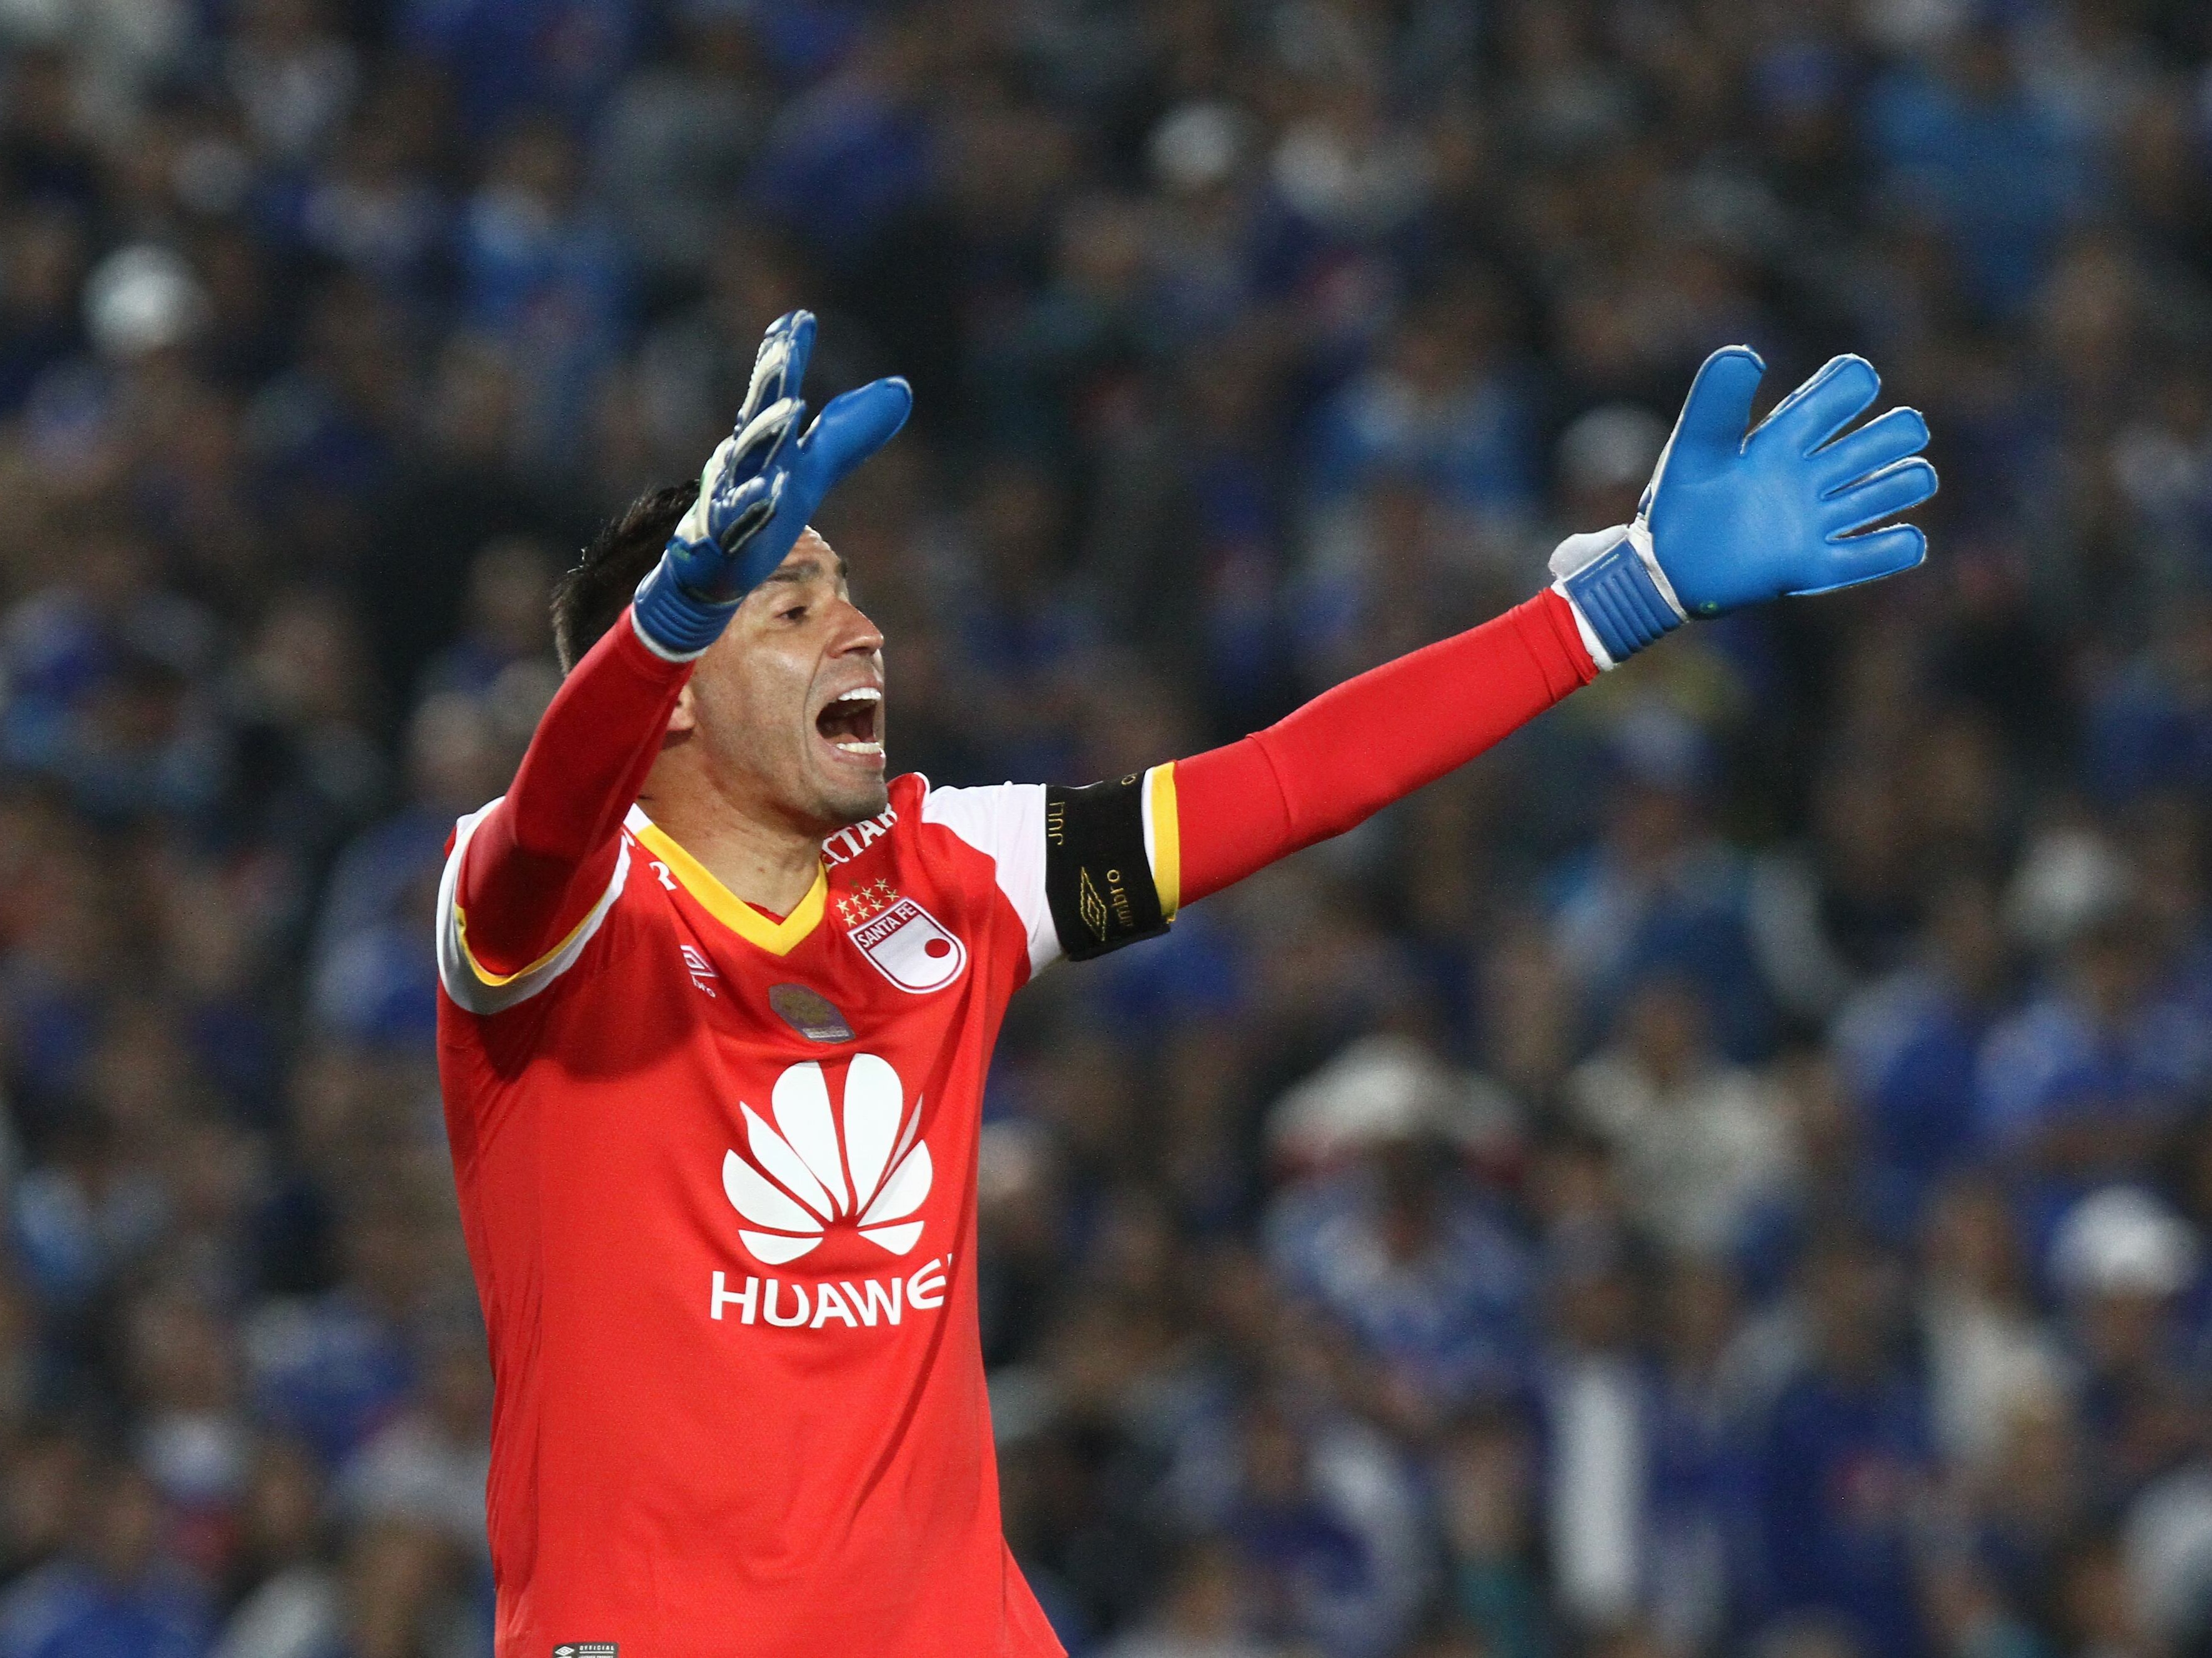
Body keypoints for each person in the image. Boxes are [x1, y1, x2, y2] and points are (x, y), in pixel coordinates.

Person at [431, 311, 1938, 1655]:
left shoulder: (944, 868)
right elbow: (549, 823)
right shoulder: (548, 925)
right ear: (672, 705)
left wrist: (1618, 603)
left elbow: (1290, 783)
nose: (863, 628)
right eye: (795, 604)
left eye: (850, 589)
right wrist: (672, 611)